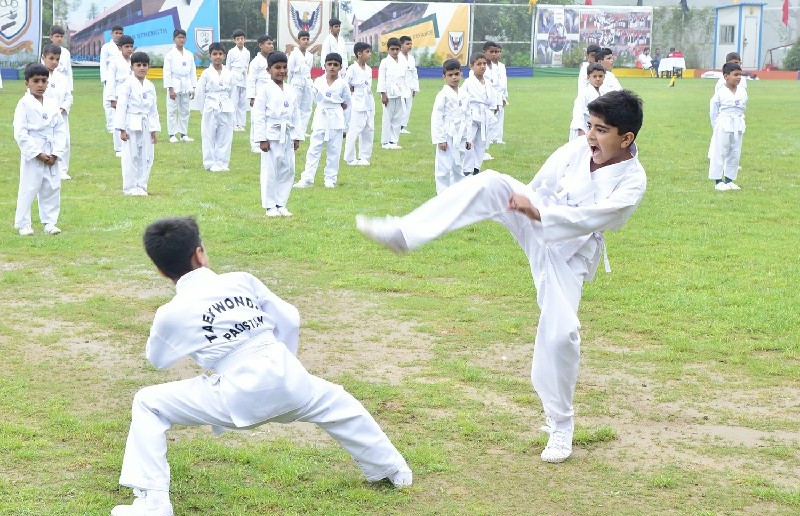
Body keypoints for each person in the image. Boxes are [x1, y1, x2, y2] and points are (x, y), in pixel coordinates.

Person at [355, 90, 646, 464]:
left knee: (562, 333)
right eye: (589, 126)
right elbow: (541, 183)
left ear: (626, 138)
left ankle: (560, 425)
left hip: (570, 252)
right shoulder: (578, 148)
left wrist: (540, 214)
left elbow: (602, 217)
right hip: (536, 217)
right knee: (492, 182)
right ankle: (405, 233)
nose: (590, 135)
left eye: (601, 130)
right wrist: (528, 205)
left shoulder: (632, 180)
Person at [111, 217, 412, 516]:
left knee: (148, 403)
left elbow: (158, 360)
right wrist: (284, 364)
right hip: (287, 376)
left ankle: (154, 504)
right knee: (340, 405)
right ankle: (393, 469)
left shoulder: (170, 313)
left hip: (235, 394)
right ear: (199, 254)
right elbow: (290, 317)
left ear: (160, 271)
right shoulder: (241, 280)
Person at [13, 63, 67, 236]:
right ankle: (24, 224)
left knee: (52, 187)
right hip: (34, 151)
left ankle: (50, 222)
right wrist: (37, 153)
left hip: (51, 149)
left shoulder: (51, 103)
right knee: (29, 187)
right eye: (36, 81)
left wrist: (56, 153)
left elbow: (60, 129)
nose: (40, 85)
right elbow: (20, 133)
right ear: (27, 83)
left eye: (44, 81)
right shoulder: (23, 104)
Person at [252, 51, 303, 217]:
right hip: (271, 134)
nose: (282, 71)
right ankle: (270, 206)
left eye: (284, 67)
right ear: (268, 70)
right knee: (270, 170)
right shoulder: (264, 90)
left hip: (287, 133)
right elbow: (258, 115)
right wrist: (261, 139)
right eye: (277, 67)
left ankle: (281, 203)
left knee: (288, 169)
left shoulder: (290, 89)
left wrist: (297, 135)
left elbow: (295, 114)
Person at [294, 53, 350, 190]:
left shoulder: (343, 84)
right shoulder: (318, 81)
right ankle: (307, 178)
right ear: (324, 65)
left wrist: (346, 127)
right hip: (321, 115)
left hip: (336, 117)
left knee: (334, 149)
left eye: (335, 65)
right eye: (329, 64)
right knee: (314, 148)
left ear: (340, 67)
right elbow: (314, 98)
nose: (332, 67)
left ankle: (330, 178)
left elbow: (347, 104)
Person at [114, 51, 160, 196]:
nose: (141, 68)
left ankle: (142, 186)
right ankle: (130, 187)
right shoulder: (127, 85)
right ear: (132, 67)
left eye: (144, 65)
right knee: (131, 156)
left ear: (148, 67)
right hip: (131, 122)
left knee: (146, 156)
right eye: (138, 65)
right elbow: (121, 107)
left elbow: (153, 109)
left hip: (146, 123)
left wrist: (154, 129)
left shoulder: (150, 86)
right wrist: (121, 129)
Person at [431, 59, 471, 194]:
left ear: (461, 74)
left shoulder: (465, 95)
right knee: (444, 166)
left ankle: (458, 192)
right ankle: (442, 193)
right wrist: (440, 139)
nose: (454, 77)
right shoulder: (442, 95)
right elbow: (436, 118)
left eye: (456, 74)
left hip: (461, 134)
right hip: (447, 133)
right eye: (450, 75)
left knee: (459, 164)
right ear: (444, 77)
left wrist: (469, 138)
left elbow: (468, 116)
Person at [197, 43, 235, 172]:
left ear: (224, 56)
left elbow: (232, 91)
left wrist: (229, 104)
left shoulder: (229, 73)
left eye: (220, 54)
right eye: (214, 54)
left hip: (225, 105)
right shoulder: (206, 73)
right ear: (210, 56)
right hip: (210, 105)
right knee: (208, 134)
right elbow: (200, 93)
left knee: (225, 135)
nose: (217, 57)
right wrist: (203, 109)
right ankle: (210, 163)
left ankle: (222, 162)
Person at [708, 63, 746, 191]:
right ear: (726, 76)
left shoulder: (742, 91)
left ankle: (729, 180)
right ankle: (718, 181)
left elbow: (743, 107)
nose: (738, 77)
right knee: (720, 152)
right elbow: (713, 110)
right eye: (735, 75)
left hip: (738, 123)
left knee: (735, 152)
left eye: (740, 75)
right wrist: (716, 125)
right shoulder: (720, 92)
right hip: (723, 122)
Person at [40, 44, 73, 181]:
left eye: (57, 59)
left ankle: (62, 170)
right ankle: (45, 166)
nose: (54, 62)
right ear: (43, 58)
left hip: (60, 115)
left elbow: (69, 97)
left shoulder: (62, 78)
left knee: (63, 141)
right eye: (51, 58)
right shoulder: (39, 76)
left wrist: (62, 108)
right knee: (46, 140)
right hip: (44, 115)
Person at [462, 52, 495, 176]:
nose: (482, 66)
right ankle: (466, 169)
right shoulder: (468, 82)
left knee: (481, 143)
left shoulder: (488, 82)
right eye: (479, 64)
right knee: (469, 141)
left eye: (484, 64)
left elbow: (491, 98)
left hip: (485, 114)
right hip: (472, 113)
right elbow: (462, 99)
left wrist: (492, 108)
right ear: (471, 66)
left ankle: (476, 168)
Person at [343, 42, 375, 167]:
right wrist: (350, 90)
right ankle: (350, 158)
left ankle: (364, 157)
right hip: (356, 101)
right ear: (359, 54)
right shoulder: (352, 68)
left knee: (368, 130)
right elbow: (345, 83)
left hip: (368, 101)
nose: (370, 54)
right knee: (354, 130)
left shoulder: (369, 69)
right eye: (367, 52)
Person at [163, 29, 197, 143]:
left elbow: (192, 72)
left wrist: (193, 87)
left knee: (185, 110)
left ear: (185, 39)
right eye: (179, 37)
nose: (181, 39)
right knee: (172, 110)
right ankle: (172, 134)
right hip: (175, 83)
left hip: (186, 84)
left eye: (183, 37)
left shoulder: (189, 54)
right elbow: (167, 72)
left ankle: (184, 134)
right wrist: (170, 89)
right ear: (174, 39)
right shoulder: (170, 55)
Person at [107, 35, 135, 158]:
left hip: (132, 94)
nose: (129, 49)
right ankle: (118, 148)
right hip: (119, 94)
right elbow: (111, 81)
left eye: (131, 46)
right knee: (118, 120)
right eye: (126, 46)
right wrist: (112, 99)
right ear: (120, 48)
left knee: (131, 120)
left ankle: (130, 145)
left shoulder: (134, 60)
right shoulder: (114, 62)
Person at [247, 35, 275, 153]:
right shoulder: (256, 62)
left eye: (272, 43)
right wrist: (252, 97)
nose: (271, 46)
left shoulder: (272, 60)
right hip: (258, 94)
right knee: (256, 119)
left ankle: (268, 140)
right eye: (268, 44)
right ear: (260, 45)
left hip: (270, 94)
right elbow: (251, 79)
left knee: (268, 118)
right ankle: (255, 144)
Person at [377, 38, 406, 150]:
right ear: (388, 49)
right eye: (392, 49)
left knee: (397, 117)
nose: (395, 51)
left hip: (400, 92)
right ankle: (385, 142)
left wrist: (405, 93)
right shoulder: (385, 62)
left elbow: (404, 78)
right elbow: (381, 79)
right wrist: (383, 93)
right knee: (387, 118)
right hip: (388, 93)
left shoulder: (402, 61)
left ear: (400, 49)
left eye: (397, 49)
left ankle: (393, 141)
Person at [100, 25, 124, 154]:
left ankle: (116, 127)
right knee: (108, 104)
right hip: (109, 79)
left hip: (121, 80)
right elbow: (103, 64)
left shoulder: (124, 46)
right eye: (116, 33)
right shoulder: (106, 47)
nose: (118, 35)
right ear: (112, 33)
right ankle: (110, 126)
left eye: (120, 33)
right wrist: (105, 79)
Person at [569, 63, 606, 141]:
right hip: (583, 127)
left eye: (600, 76)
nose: (598, 79)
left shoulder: (603, 93)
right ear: (588, 77)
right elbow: (578, 111)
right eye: (594, 76)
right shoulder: (584, 93)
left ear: (604, 77)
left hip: (595, 127)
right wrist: (581, 128)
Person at [288, 30, 315, 134]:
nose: (306, 41)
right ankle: (294, 129)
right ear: (298, 41)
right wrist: (290, 84)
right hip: (296, 80)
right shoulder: (294, 54)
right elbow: (290, 70)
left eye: (307, 39)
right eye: (303, 39)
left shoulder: (310, 55)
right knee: (296, 105)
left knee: (307, 106)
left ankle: (302, 130)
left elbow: (309, 70)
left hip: (307, 80)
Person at [225, 29, 250, 132]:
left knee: (242, 102)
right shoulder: (231, 52)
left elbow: (247, 65)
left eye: (242, 38)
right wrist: (228, 79)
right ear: (234, 40)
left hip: (243, 77)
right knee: (234, 101)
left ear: (244, 40)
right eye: (238, 39)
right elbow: (228, 66)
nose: (240, 40)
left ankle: (241, 124)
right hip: (234, 77)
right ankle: (233, 124)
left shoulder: (247, 52)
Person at [486, 42, 508, 146]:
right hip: (490, 93)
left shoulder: (501, 66)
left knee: (500, 115)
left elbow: (504, 82)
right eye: (493, 52)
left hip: (499, 93)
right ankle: (489, 137)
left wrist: (504, 96)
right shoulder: (485, 66)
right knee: (490, 116)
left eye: (498, 52)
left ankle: (498, 137)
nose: (496, 54)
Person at [398, 35, 419, 135]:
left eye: (410, 44)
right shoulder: (397, 57)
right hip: (400, 86)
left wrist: (415, 88)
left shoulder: (411, 58)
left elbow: (414, 73)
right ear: (401, 45)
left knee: (408, 106)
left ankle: (402, 126)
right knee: (400, 106)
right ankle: (397, 126)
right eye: (407, 44)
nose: (410, 46)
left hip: (410, 86)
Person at [49, 25, 73, 92]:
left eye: (61, 36)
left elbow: (68, 71)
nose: (59, 39)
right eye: (57, 36)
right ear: (51, 37)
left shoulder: (66, 53)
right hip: (50, 85)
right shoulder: (47, 52)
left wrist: (70, 88)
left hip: (63, 85)